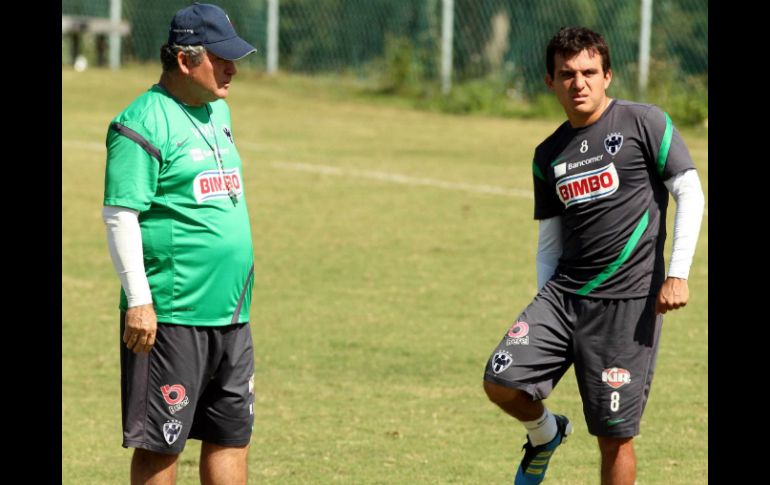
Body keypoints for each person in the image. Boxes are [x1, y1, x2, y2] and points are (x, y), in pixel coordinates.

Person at [482, 26, 704, 485]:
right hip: (563, 298)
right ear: (550, 82)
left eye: (588, 72)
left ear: (608, 76)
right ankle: (545, 434)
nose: (578, 82)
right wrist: (543, 306)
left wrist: (678, 273)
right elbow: (549, 241)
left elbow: (690, 191)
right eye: (567, 74)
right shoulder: (548, 153)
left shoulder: (645, 122)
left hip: (625, 305)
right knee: (499, 381)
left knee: (614, 437)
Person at [101, 3, 258, 484]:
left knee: (231, 437)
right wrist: (139, 302)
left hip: (231, 313)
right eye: (221, 58)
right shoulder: (141, 122)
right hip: (171, 316)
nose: (232, 68)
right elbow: (121, 214)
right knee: (160, 446)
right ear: (186, 60)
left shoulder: (219, 110)